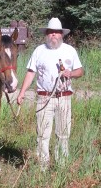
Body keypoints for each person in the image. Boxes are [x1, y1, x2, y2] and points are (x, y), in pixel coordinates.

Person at [17, 17, 84, 169]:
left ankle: (62, 167)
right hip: (44, 98)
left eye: (56, 32)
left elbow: (80, 71)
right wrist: (21, 93)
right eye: (51, 32)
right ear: (47, 34)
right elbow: (30, 73)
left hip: (64, 98)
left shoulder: (69, 50)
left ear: (61, 34)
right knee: (42, 135)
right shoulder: (39, 51)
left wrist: (70, 73)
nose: (54, 35)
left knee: (63, 135)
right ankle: (43, 168)